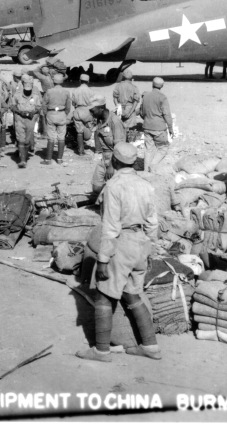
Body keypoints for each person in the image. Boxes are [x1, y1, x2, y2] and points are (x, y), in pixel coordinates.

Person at [76, 142, 160, 363]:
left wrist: (102, 260)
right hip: (141, 242)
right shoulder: (146, 185)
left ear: (114, 161)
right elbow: (153, 223)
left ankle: (101, 351)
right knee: (133, 294)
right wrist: (149, 248)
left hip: (121, 242)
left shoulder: (113, 186)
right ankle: (150, 346)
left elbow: (110, 228)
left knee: (103, 295)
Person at [90, 96, 126, 194]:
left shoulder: (115, 122)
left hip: (115, 159)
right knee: (96, 188)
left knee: (113, 187)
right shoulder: (100, 119)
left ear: (101, 108)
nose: (91, 113)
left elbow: (119, 147)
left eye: (93, 111)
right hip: (104, 157)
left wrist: (111, 166)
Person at [140, 77, 174, 172]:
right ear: (162, 86)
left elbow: (142, 113)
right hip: (159, 128)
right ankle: (153, 166)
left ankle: (146, 171)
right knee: (163, 148)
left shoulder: (145, 96)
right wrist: (170, 128)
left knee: (148, 150)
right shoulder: (162, 97)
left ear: (152, 84)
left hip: (147, 126)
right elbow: (167, 114)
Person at [41, 70, 74, 166]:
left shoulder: (49, 91)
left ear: (53, 81)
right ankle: (59, 159)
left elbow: (44, 104)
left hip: (51, 114)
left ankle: (48, 159)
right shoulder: (66, 92)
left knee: (51, 137)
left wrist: (46, 113)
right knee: (61, 137)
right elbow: (68, 106)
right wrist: (65, 113)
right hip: (61, 114)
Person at [10, 75, 41, 168]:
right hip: (19, 119)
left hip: (30, 120)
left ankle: (25, 156)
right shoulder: (17, 95)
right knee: (20, 139)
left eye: (29, 90)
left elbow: (39, 107)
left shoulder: (35, 96)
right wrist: (20, 112)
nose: (27, 92)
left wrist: (33, 113)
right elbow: (12, 106)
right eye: (26, 90)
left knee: (27, 140)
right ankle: (22, 160)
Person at [112, 70, 141, 142]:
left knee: (120, 127)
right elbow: (136, 101)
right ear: (131, 78)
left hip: (120, 107)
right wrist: (130, 112)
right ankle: (127, 142)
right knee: (129, 128)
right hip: (130, 107)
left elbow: (115, 98)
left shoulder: (118, 86)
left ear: (123, 77)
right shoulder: (134, 87)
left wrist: (118, 108)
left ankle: (121, 141)